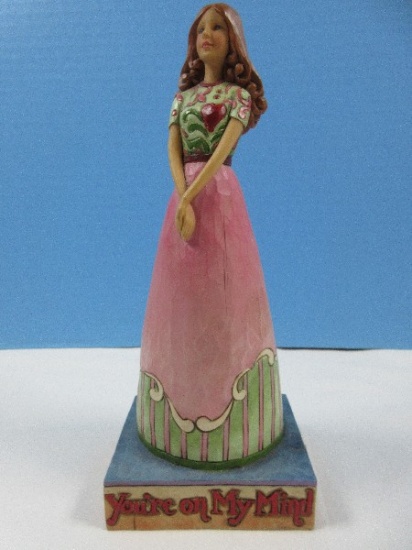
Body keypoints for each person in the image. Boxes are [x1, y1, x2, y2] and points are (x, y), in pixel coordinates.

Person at [137, 3, 283, 469]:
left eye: (218, 27)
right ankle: (176, 400)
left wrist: (194, 193)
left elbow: (222, 149)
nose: (208, 34)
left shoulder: (237, 96)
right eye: (202, 28)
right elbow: (172, 147)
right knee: (178, 297)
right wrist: (181, 197)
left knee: (225, 292)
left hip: (218, 197)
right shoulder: (182, 98)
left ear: (232, 41)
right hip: (184, 202)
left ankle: (230, 410)